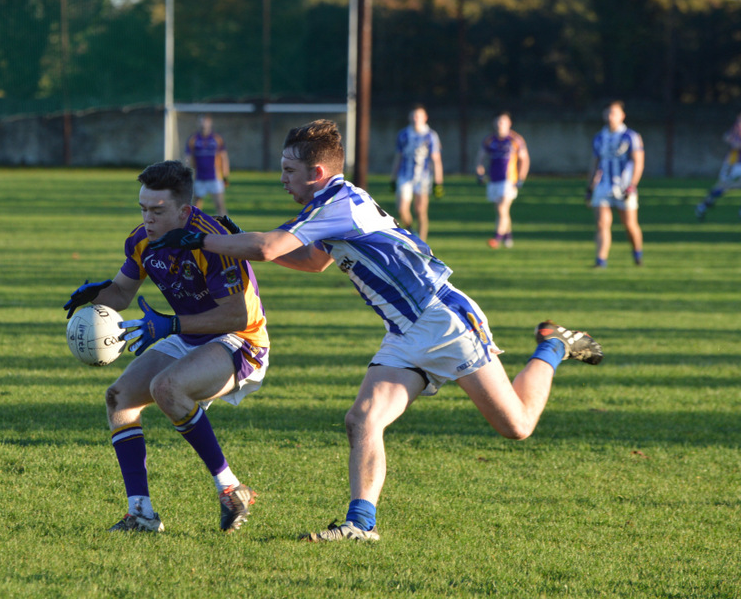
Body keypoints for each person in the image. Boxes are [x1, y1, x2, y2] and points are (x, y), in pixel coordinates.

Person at [150, 120, 603, 543]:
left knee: (517, 426)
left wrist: (203, 239)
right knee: (362, 419)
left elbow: (269, 247)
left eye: (289, 170)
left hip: (444, 321)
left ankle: (552, 345)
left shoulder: (338, 203)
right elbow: (311, 260)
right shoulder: (327, 205)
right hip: (405, 331)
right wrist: (240, 243)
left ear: (318, 171)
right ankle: (359, 525)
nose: (282, 178)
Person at [62, 160, 269, 534]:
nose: (148, 219)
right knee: (119, 398)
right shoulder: (142, 240)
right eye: (143, 209)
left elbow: (236, 317)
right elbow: (123, 292)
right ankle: (140, 512)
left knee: (166, 387)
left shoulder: (214, 242)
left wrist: (169, 325)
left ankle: (229, 488)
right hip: (187, 334)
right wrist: (98, 295)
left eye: (157, 211)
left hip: (240, 341)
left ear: (184, 210)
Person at [586, 101, 644, 268]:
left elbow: (638, 162)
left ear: (622, 116)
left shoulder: (631, 136)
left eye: (614, 113)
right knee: (602, 224)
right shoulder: (599, 137)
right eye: (608, 113)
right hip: (603, 186)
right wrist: (590, 187)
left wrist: (632, 185)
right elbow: (595, 163)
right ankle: (600, 260)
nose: (610, 116)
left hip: (624, 187)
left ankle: (637, 254)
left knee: (630, 225)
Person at [389, 105, 444, 241]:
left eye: (418, 116)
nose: (415, 119)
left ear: (425, 118)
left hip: (423, 177)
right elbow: (398, 157)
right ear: (409, 117)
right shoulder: (403, 134)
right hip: (405, 175)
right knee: (402, 209)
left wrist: (438, 182)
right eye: (413, 116)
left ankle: (422, 243)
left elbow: (436, 160)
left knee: (420, 211)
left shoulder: (430, 135)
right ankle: (411, 230)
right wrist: (393, 177)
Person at [475, 112, 529, 248]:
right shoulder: (489, 140)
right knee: (502, 211)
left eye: (503, 122)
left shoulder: (515, 140)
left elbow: (525, 159)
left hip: (509, 180)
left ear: (509, 123)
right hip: (494, 180)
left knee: (502, 208)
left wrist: (521, 178)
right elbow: (480, 157)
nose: (500, 125)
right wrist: (480, 172)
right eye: (498, 122)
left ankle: (497, 238)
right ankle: (508, 236)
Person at [695, 113, 741, 221]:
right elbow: (728, 138)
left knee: (731, 185)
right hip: (732, 163)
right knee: (722, 186)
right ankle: (703, 205)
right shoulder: (736, 128)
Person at [184, 115, 230, 215]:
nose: (203, 125)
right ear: (198, 123)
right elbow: (188, 157)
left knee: (219, 205)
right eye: (201, 122)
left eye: (205, 122)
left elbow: (223, 157)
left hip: (215, 177)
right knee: (195, 206)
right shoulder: (193, 139)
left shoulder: (217, 139)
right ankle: (193, 227)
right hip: (199, 177)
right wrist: (187, 174)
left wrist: (225, 175)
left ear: (210, 123)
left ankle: (226, 228)